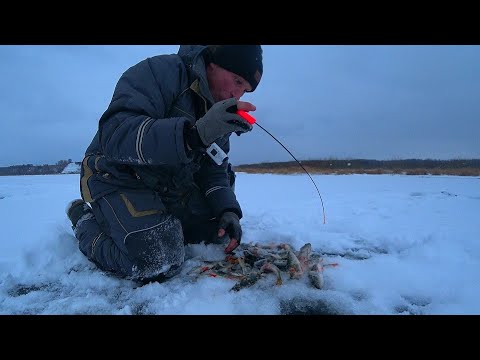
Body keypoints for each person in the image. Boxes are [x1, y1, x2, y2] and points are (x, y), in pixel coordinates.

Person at [65, 45, 263, 284]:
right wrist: (192, 137)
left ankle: (158, 220)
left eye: (245, 90)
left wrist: (227, 210)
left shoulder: (219, 109)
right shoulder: (160, 72)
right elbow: (115, 135)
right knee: (156, 260)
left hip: (168, 183)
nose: (237, 94)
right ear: (214, 63)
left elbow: (215, 169)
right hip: (117, 175)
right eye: (237, 80)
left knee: (216, 233)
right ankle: (83, 219)